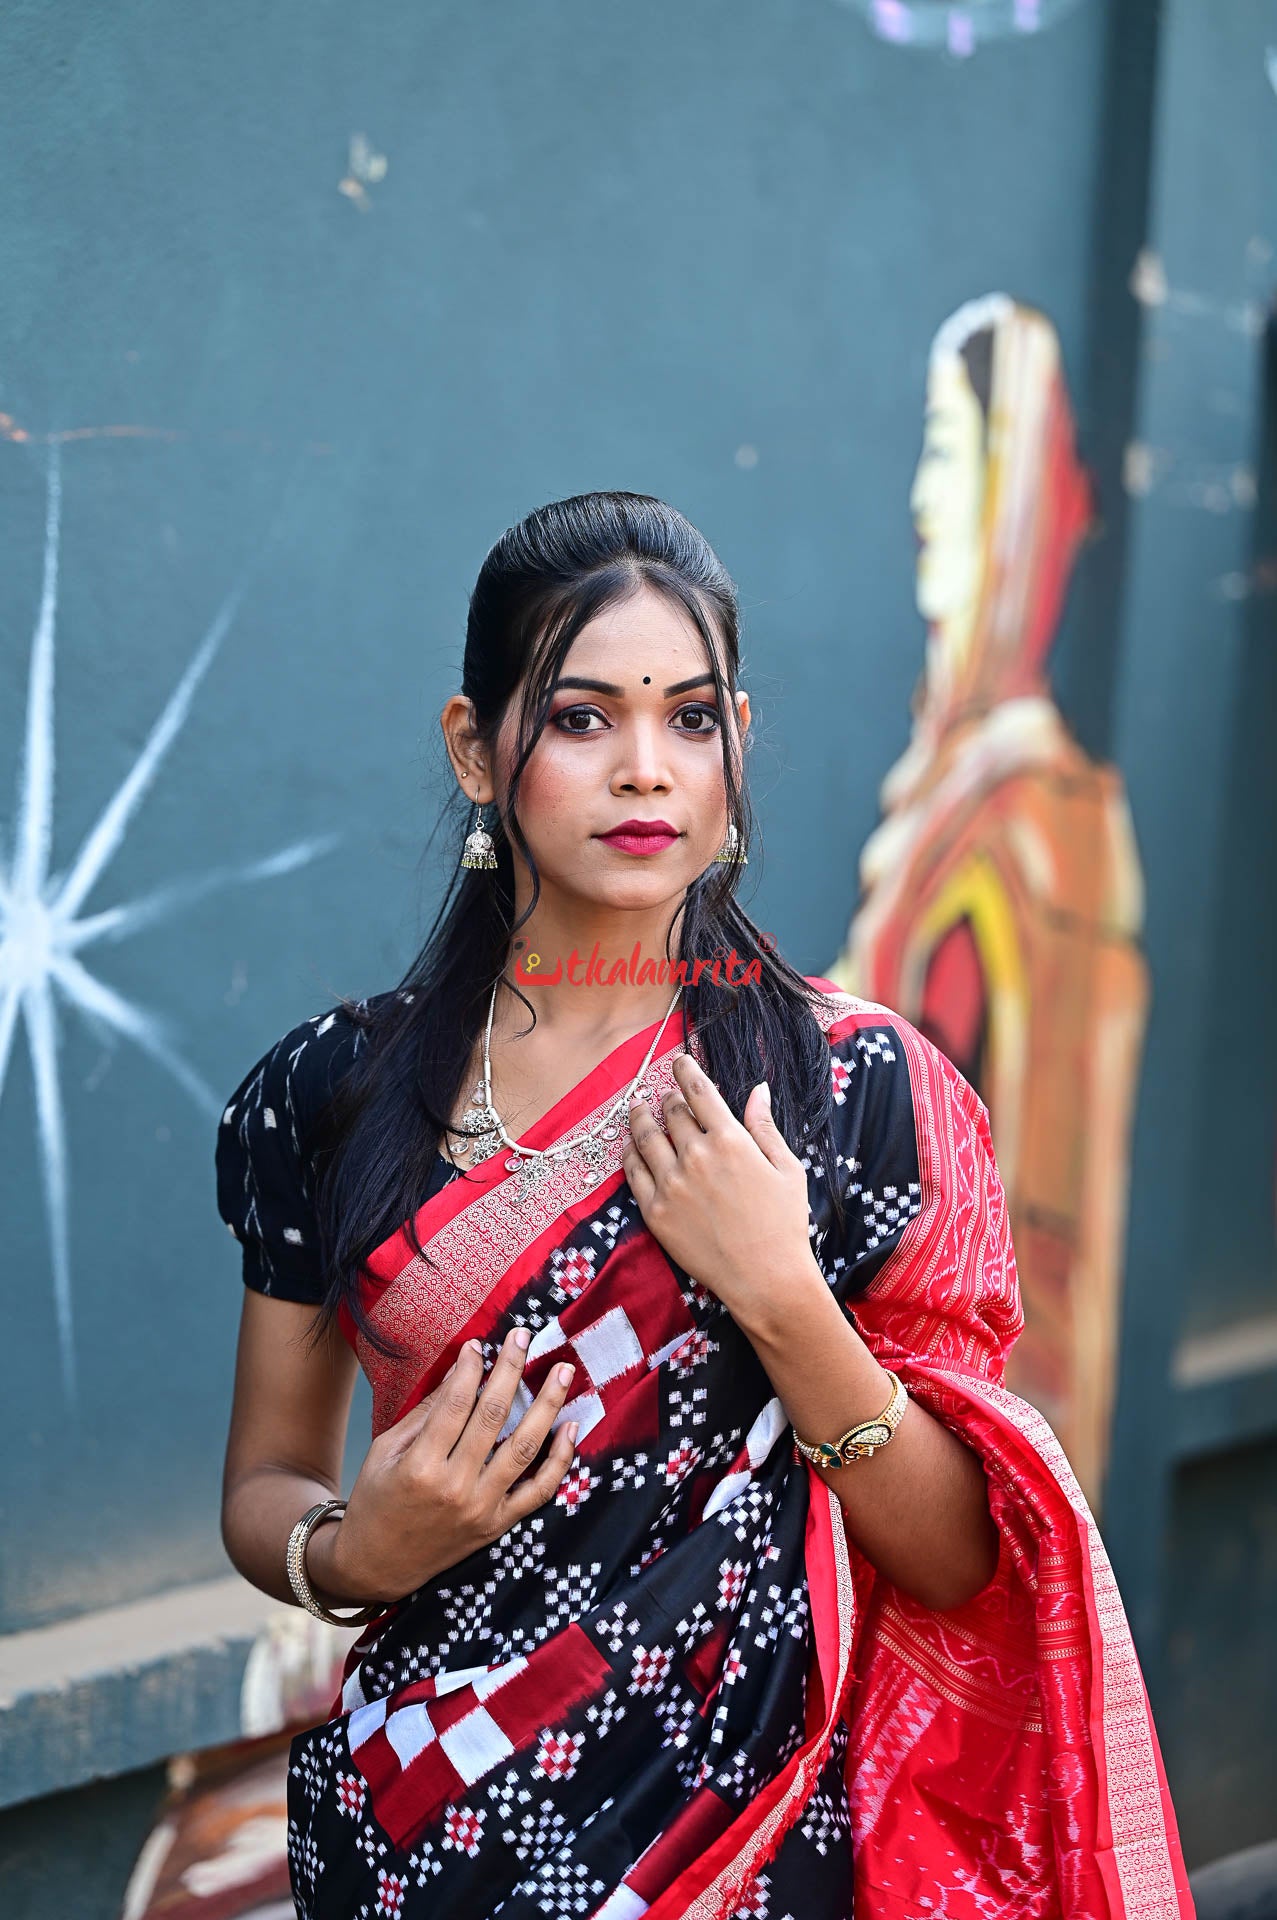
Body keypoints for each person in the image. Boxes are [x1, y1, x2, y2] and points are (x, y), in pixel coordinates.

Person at [216, 492, 1193, 1919]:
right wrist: (351, 1553)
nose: (643, 772)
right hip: (422, 1833)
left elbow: (957, 1556)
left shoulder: (855, 1093)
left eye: (687, 720)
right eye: (580, 719)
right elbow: (261, 1484)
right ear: (474, 749)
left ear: (736, 737)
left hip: (750, 1851)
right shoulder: (334, 1090)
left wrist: (783, 1298)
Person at [827, 294, 1149, 1513]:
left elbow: (1017, 1198)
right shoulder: (965, 797)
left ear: (1011, 495)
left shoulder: (1017, 816)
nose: (920, 502)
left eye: (951, 459)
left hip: (946, 1440)